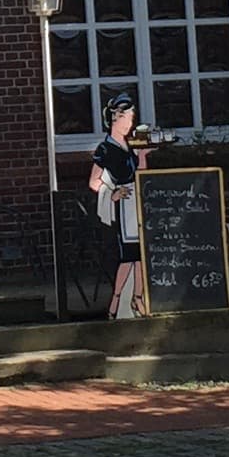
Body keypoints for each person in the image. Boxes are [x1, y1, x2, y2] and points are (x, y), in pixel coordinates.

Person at [87, 94, 149, 319]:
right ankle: (116, 300)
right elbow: (94, 181)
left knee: (140, 256)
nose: (130, 123)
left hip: (136, 203)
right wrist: (111, 193)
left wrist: (142, 155)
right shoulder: (106, 148)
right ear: (116, 118)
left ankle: (138, 297)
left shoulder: (130, 146)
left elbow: (139, 175)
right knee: (128, 256)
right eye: (128, 118)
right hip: (122, 208)